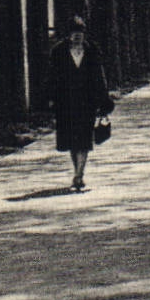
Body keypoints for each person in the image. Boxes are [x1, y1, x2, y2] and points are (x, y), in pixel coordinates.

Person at [50, 17, 112, 191]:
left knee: (84, 139)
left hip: (87, 102)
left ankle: (79, 175)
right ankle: (77, 171)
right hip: (66, 103)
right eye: (74, 33)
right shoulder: (58, 52)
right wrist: (51, 99)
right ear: (69, 35)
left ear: (84, 34)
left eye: (80, 33)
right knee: (71, 140)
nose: (77, 36)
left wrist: (103, 99)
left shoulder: (92, 51)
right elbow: (52, 78)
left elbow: (100, 77)